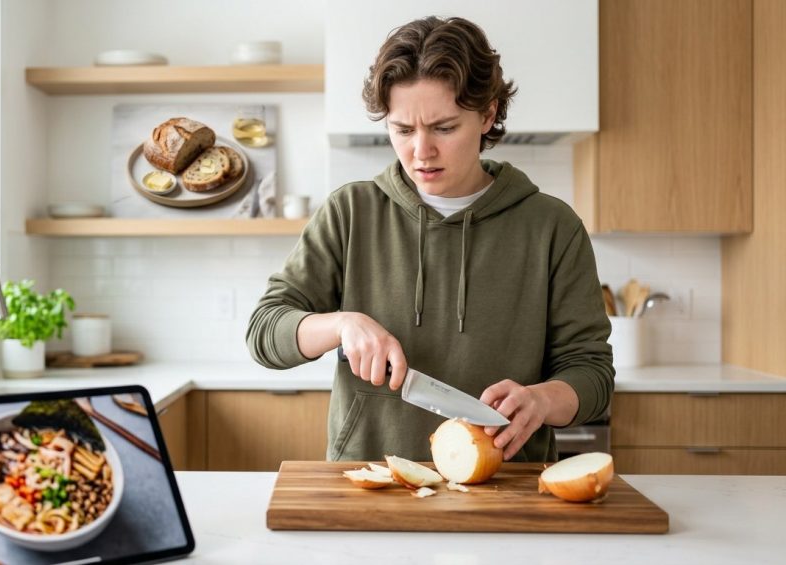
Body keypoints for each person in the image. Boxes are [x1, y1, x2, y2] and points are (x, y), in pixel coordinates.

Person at [246, 16, 614, 463]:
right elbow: (265, 331)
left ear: (488, 114)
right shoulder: (350, 213)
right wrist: (341, 325)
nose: (421, 152)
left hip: (506, 488)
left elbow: (592, 373)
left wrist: (543, 400)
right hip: (371, 480)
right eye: (402, 130)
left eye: (444, 128)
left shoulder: (552, 227)